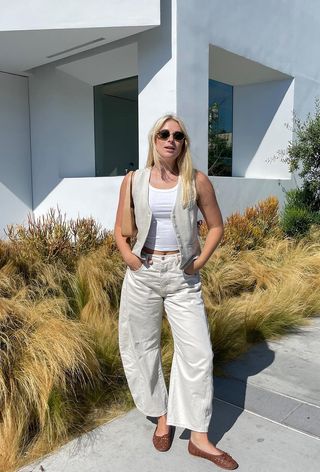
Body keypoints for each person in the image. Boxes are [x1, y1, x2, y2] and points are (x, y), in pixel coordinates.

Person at [114, 114, 238, 470]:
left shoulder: (196, 181)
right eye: (164, 134)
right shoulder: (134, 180)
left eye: (178, 135)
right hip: (144, 272)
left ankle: (198, 436)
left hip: (182, 277)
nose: (171, 139)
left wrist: (198, 264)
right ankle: (162, 416)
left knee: (198, 352)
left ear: (184, 143)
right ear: (154, 140)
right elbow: (120, 230)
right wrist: (130, 259)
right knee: (142, 347)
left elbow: (216, 227)